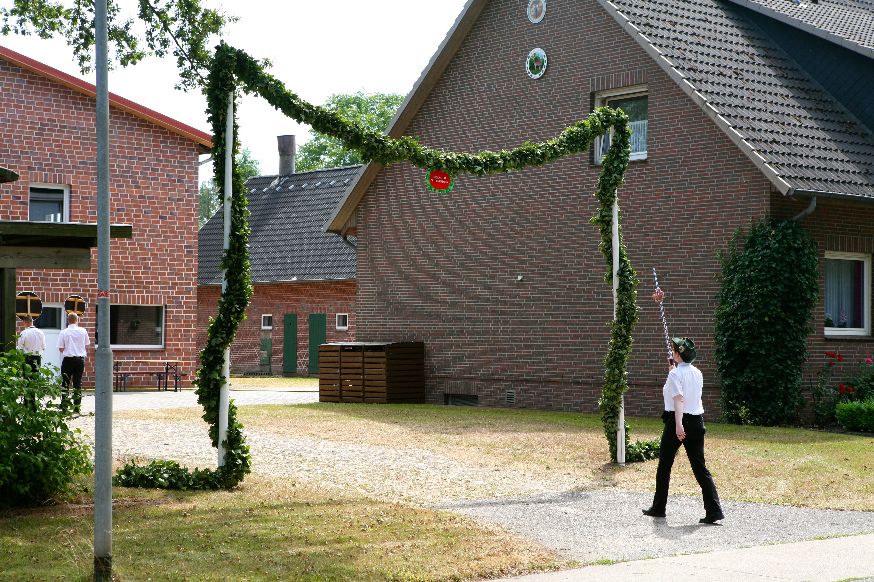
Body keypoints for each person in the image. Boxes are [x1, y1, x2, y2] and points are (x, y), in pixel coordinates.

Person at [642, 288, 724, 525]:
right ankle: (714, 510)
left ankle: (659, 507)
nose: (672, 350)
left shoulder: (675, 374)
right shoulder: (697, 372)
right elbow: (686, 392)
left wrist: (678, 425)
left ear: (678, 355)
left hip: (679, 421)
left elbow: (678, 399)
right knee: (700, 468)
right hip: (698, 421)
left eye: (675, 349)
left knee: (664, 465)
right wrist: (673, 372)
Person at [57, 311, 90, 413]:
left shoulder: (64, 332)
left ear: (68, 320)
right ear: (77, 320)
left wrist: (67, 350)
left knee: (65, 383)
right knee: (77, 383)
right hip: (80, 360)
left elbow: (60, 348)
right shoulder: (83, 331)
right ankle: (76, 407)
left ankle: (64, 407)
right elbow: (87, 344)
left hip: (68, 359)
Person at [16, 315, 46, 408]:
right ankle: (33, 403)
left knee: (27, 380)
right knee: (34, 380)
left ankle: (27, 403)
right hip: (37, 358)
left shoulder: (24, 333)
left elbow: (20, 348)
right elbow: (44, 347)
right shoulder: (40, 332)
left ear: (25, 322)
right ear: (32, 321)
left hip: (27, 358)